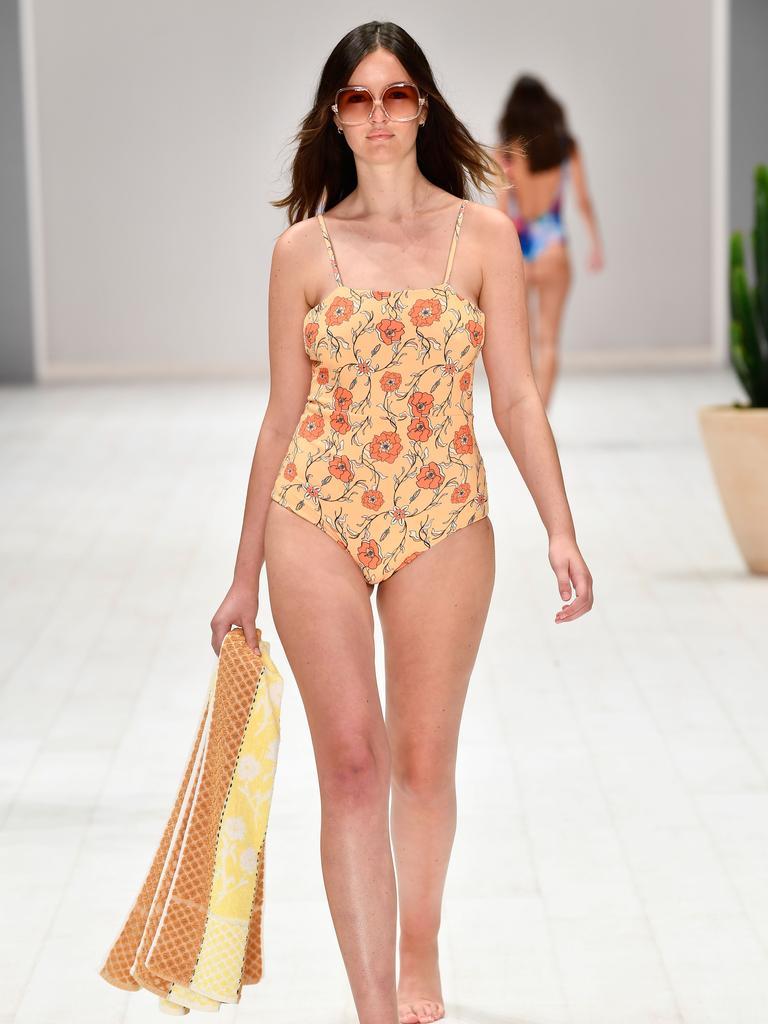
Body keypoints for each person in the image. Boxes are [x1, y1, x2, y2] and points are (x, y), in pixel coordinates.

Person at [210, 21, 594, 1024]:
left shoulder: (485, 237)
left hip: (442, 512)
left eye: (395, 94)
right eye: (356, 98)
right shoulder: (302, 249)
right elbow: (278, 418)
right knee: (351, 764)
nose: (377, 115)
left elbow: (514, 395)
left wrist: (560, 526)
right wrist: (242, 573)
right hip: (316, 514)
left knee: (423, 765)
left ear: (423, 105)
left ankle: (416, 949)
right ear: (335, 119)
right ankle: (375, 1008)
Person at [494, 75, 604, 409]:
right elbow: (583, 199)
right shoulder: (565, 147)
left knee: (522, 344)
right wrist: (596, 242)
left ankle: (527, 417)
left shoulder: (507, 152)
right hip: (555, 249)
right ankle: (541, 415)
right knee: (550, 341)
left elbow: (501, 211)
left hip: (521, 254)